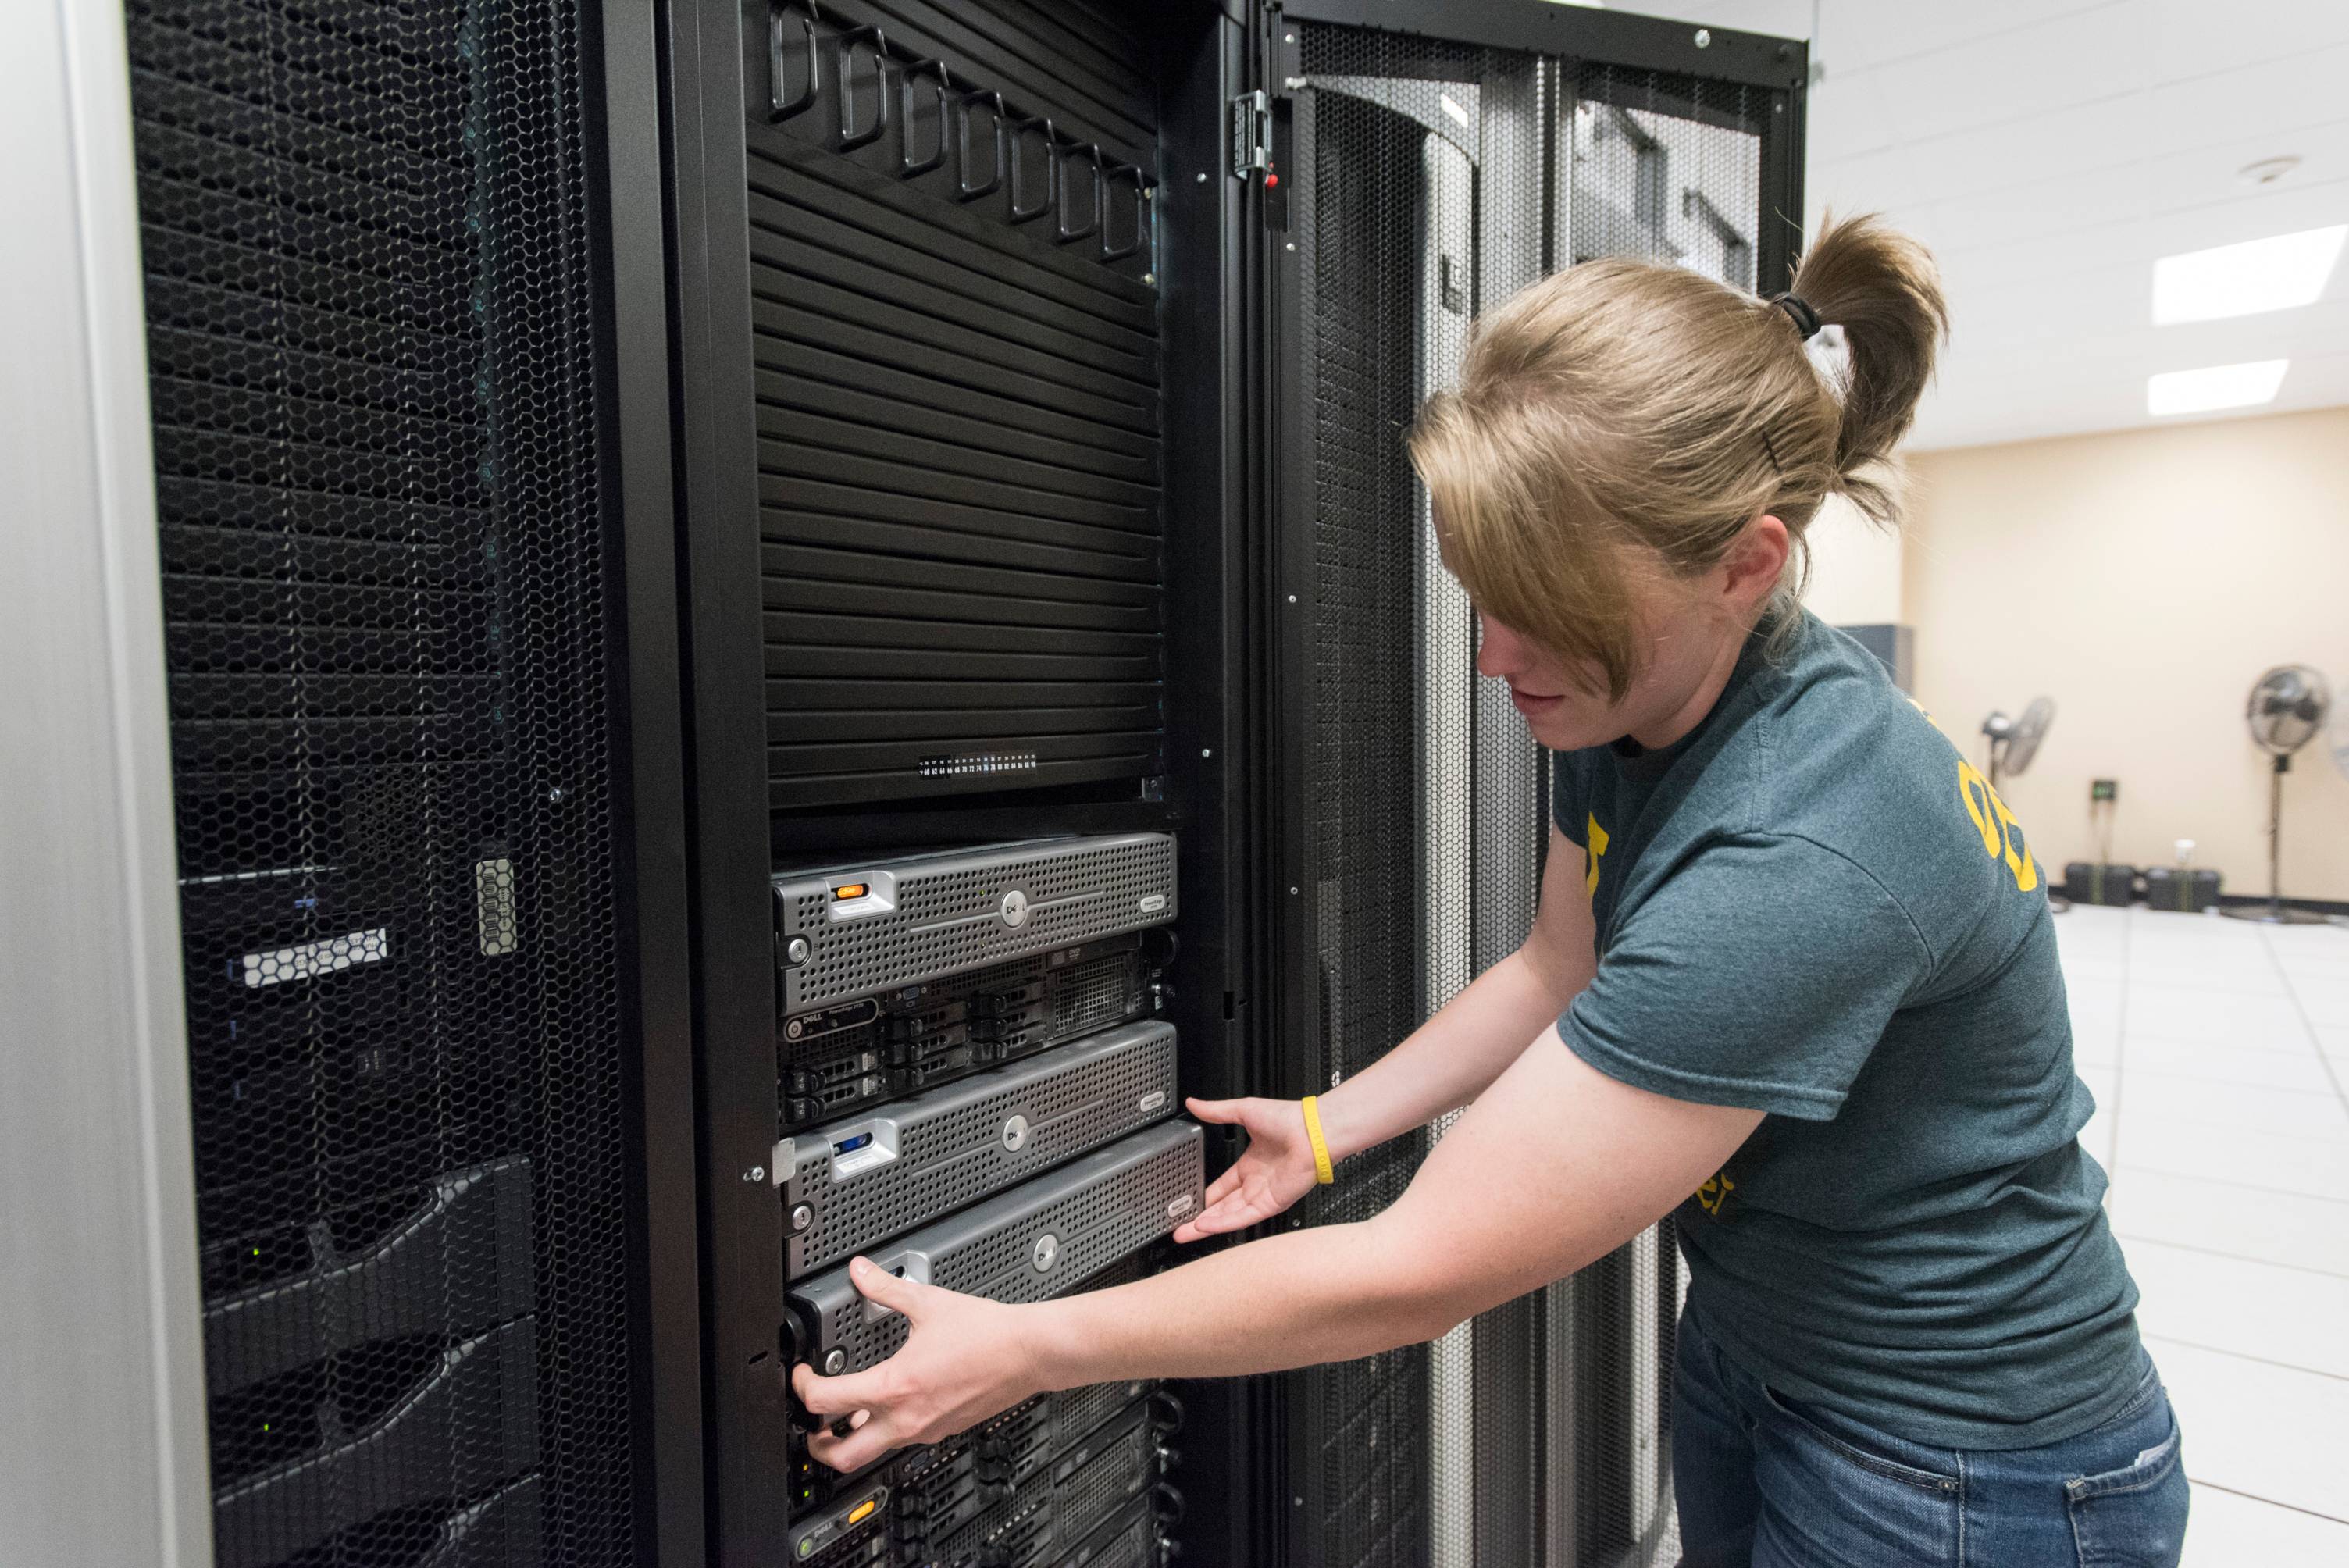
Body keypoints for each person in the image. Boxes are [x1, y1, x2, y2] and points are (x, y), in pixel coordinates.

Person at [790, 214, 2188, 1568]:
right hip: (1766, 1350)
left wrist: (1027, 1348)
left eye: (1550, 610)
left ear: (1745, 564)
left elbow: (1423, 1270)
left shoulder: (1799, 853)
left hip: (1961, 1463)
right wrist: (1329, 1128)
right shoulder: (1652, 700)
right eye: (1485, 594)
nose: (1495, 658)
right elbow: (1555, 967)